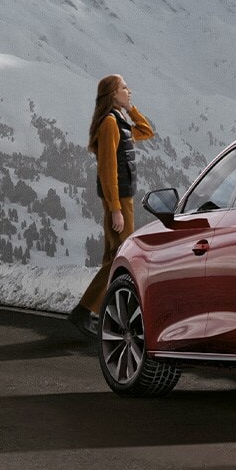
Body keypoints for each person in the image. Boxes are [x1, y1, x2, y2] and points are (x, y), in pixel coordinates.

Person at [68, 75, 154, 338]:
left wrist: (130, 109)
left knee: (112, 257)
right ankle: (84, 311)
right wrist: (115, 208)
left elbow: (147, 130)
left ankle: (96, 313)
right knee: (122, 257)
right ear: (112, 94)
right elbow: (107, 170)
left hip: (122, 199)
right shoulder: (109, 124)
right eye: (124, 88)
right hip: (119, 200)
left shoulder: (120, 121)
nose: (129, 90)